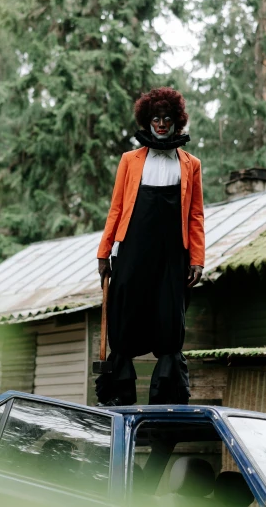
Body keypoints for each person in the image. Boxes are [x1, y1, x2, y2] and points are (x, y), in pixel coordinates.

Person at [95, 87, 205, 406]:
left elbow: (196, 214)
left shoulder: (191, 164)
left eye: (166, 118)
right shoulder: (130, 160)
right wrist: (104, 253)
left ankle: (167, 400)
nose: (160, 123)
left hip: (173, 253)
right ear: (147, 121)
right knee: (125, 311)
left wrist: (197, 258)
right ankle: (119, 398)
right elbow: (116, 207)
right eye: (155, 118)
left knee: (170, 317)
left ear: (176, 122)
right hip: (132, 247)